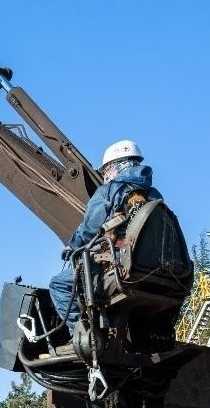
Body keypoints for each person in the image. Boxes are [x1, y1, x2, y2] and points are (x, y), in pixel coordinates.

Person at [48, 139, 164, 338]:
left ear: (114, 166)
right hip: (157, 271)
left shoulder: (110, 191)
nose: (105, 175)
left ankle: (83, 337)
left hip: (121, 266)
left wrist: (72, 246)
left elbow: (90, 229)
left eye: (106, 170)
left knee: (60, 284)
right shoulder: (154, 195)